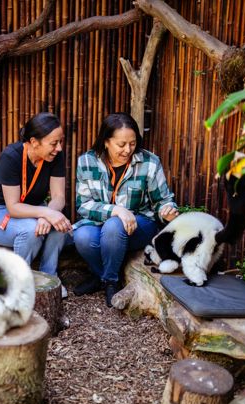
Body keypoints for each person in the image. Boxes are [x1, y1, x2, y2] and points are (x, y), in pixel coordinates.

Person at [73, 112, 179, 307]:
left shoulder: (149, 162)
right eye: (121, 145)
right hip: (98, 224)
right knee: (82, 237)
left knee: (114, 226)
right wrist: (116, 210)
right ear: (106, 141)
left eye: (132, 143)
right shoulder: (87, 161)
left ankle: (111, 281)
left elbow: (162, 200)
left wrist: (168, 211)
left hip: (138, 226)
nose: (128, 149)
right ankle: (102, 276)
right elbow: (84, 205)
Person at [0, 112, 72, 297]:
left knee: (60, 226)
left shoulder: (56, 156)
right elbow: (13, 207)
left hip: (36, 212)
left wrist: (49, 214)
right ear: (34, 142)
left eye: (60, 142)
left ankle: (49, 278)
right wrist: (46, 214)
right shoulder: (11, 156)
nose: (59, 148)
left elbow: (59, 197)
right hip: (1, 213)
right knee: (32, 229)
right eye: (54, 143)